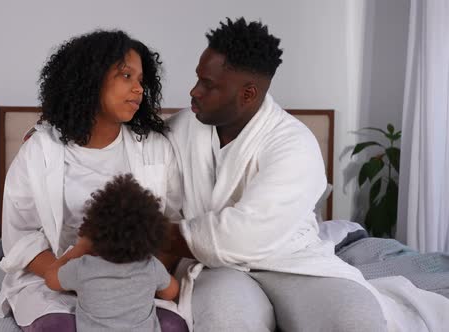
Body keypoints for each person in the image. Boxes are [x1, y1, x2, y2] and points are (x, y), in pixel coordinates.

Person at [163, 18, 387, 331]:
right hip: (214, 266)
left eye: (209, 85)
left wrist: (162, 235)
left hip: (292, 263)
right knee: (228, 320)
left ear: (248, 94)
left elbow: (244, 234)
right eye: (198, 79)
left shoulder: (294, 144)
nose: (194, 91)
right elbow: (160, 197)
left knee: (356, 318)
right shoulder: (180, 129)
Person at [0, 29, 186, 332]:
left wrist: (141, 277)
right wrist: (67, 277)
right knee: (58, 326)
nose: (138, 89)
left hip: (133, 280)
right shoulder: (39, 150)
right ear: (90, 79)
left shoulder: (155, 148)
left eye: (140, 80)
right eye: (126, 76)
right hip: (57, 277)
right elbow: (22, 234)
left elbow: (172, 223)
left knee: (172, 325)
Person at [52, 174, 180, 331]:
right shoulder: (151, 267)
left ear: (94, 230)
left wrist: (80, 249)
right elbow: (171, 292)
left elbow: (50, 279)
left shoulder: (82, 269)